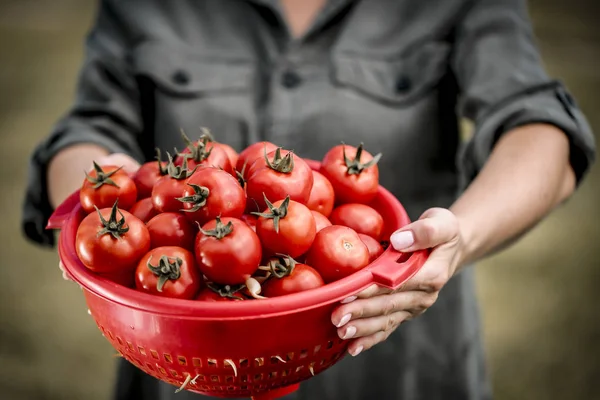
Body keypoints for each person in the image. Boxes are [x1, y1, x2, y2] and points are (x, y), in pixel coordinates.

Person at [22, 0, 595, 399]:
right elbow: (89, 128)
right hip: (186, 358)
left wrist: (460, 234)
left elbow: (538, 124)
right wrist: (106, 195)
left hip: (400, 367)